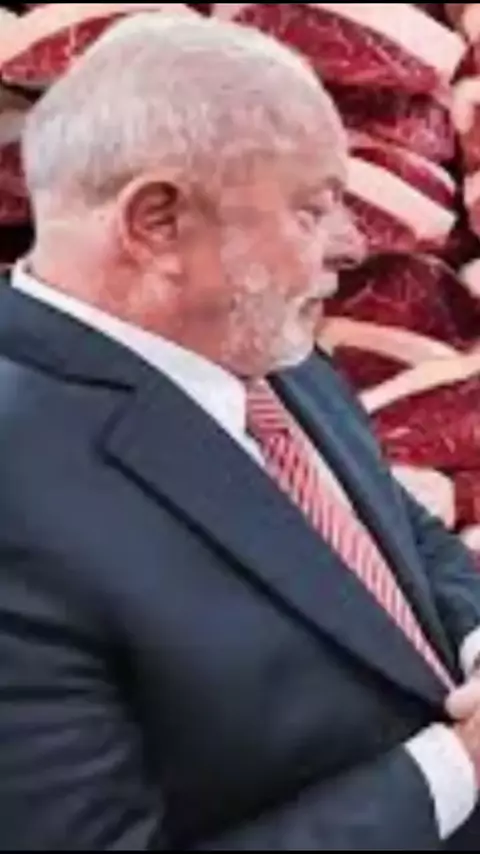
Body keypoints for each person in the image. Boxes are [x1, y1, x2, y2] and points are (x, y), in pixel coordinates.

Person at [0, 14, 480, 851]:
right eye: (312, 208)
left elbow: (396, 529)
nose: (352, 244)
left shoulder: (252, 338)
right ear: (157, 223)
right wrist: (455, 766)